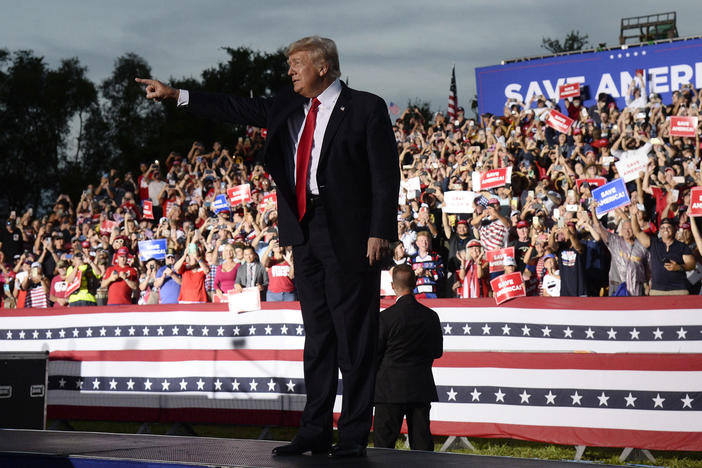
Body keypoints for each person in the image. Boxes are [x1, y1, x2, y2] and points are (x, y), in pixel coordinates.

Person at [139, 35, 399, 458]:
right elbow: (235, 107)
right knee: (318, 336)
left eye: (297, 64)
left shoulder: (367, 107)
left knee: (355, 336)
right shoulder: (287, 104)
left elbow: (386, 175)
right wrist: (176, 95)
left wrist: (380, 230)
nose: (290, 71)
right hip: (304, 231)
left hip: (352, 235)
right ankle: (314, 430)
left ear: (323, 66)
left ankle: (351, 437)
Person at [373, 264, 443, 451]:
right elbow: (437, 351)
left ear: (393, 286)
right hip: (420, 387)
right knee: (421, 447)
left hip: (389, 389)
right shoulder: (431, 316)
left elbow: (374, 354)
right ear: (415, 283)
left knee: (383, 448)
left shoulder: (385, 318)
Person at [631, 215, 695, 295]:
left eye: (668, 227)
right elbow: (637, 232)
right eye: (662, 227)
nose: (665, 229)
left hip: (679, 290)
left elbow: (692, 264)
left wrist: (679, 267)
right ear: (660, 231)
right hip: (657, 291)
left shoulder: (682, 246)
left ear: (674, 229)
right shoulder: (653, 243)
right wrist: (633, 215)